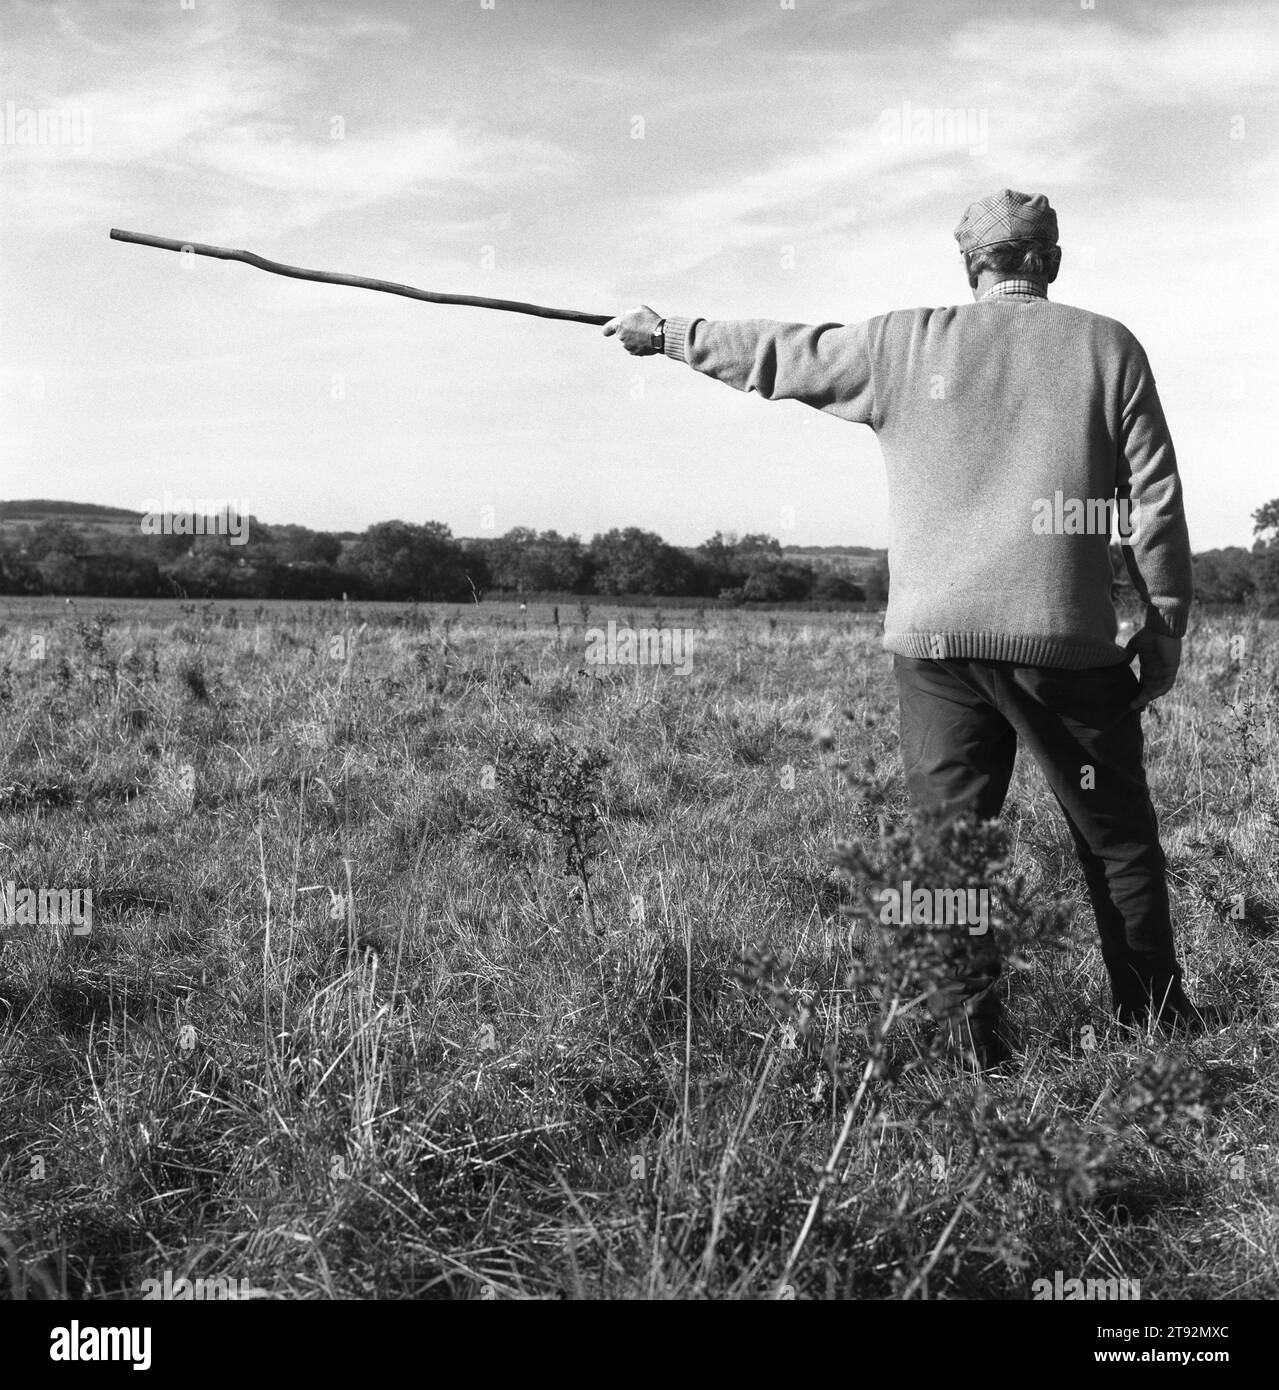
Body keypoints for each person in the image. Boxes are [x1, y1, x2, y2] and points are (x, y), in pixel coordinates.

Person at [604, 188, 1211, 1067]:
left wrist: (666, 333)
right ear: (1049, 259)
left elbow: (782, 353)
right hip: (1065, 648)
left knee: (947, 852)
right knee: (1115, 838)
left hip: (934, 649)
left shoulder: (900, 343)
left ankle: (967, 1047)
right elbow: (1153, 498)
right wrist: (1162, 626)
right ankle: (1152, 1022)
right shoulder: (1105, 345)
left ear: (970, 266)